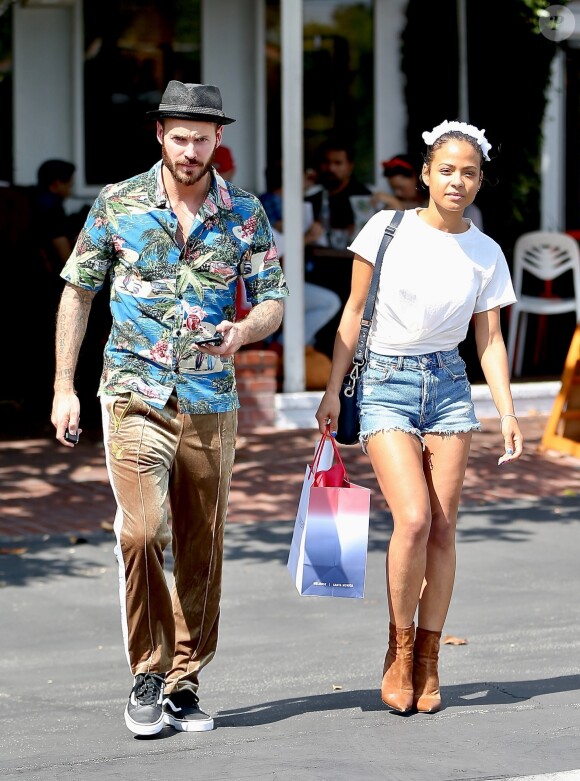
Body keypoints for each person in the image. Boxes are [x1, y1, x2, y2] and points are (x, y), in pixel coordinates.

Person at [51, 81, 288, 736]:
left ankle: (186, 677)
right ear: (160, 134)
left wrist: (244, 329)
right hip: (132, 392)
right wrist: (62, 385)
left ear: (218, 140)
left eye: (201, 137)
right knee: (141, 530)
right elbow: (78, 293)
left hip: (211, 396)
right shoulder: (118, 203)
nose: (189, 149)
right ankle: (149, 671)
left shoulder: (243, 212)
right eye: (178, 136)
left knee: (201, 543)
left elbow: (272, 296)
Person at [315, 119, 523, 715]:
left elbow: (489, 341)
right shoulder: (386, 228)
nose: (458, 181)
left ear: (480, 182)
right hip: (383, 380)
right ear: (426, 174)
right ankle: (398, 648)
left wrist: (506, 410)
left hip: (450, 389)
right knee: (411, 519)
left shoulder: (485, 251)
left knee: (443, 526)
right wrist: (332, 391)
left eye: (470, 173)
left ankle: (428, 658)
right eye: (448, 170)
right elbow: (353, 313)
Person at [258, 161, 341, 355]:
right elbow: (277, 250)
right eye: (307, 174)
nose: (310, 178)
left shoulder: (295, 201)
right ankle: (290, 350)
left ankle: (294, 348)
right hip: (269, 283)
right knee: (330, 302)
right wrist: (308, 236)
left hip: (294, 275)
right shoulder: (268, 202)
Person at [375, 152, 484, 229]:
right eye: (394, 188)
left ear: (422, 177)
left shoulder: (464, 209)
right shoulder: (391, 207)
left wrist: (398, 207)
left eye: (401, 188)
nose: (397, 193)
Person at [305, 137, 372, 249]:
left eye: (338, 163)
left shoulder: (362, 198)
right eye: (326, 162)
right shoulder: (312, 197)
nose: (331, 168)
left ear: (350, 166)